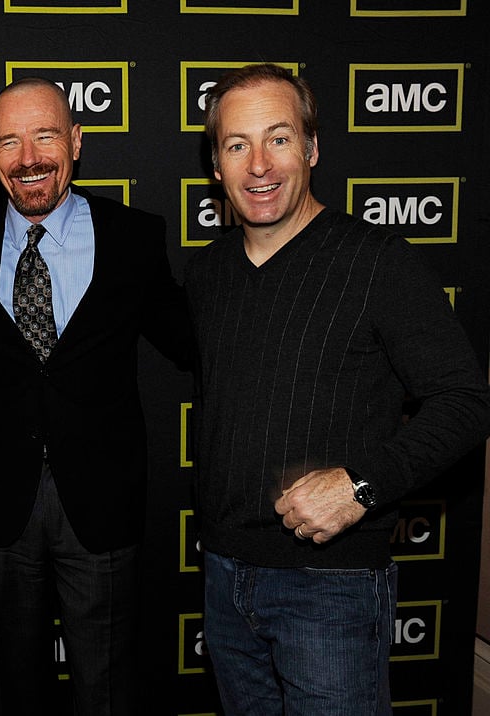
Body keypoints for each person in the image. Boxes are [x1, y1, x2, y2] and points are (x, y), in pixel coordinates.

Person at [185, 62, 490, 715]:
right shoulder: (207, 273)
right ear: (216, 165)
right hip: (224, 579)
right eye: (237, 145)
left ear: (312, 148)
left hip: (331, 587)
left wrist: (360, 486)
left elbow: (465, 404)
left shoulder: (377, 260)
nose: (259, 164)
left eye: (279, 139)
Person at [0, 77, 192, 715]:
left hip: (102, 504)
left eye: (45, 136)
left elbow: (191, 342)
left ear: (76, 141)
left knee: (107, 690)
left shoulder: (133, 237)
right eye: (11, 142)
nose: (30, 157)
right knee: (10, 687)